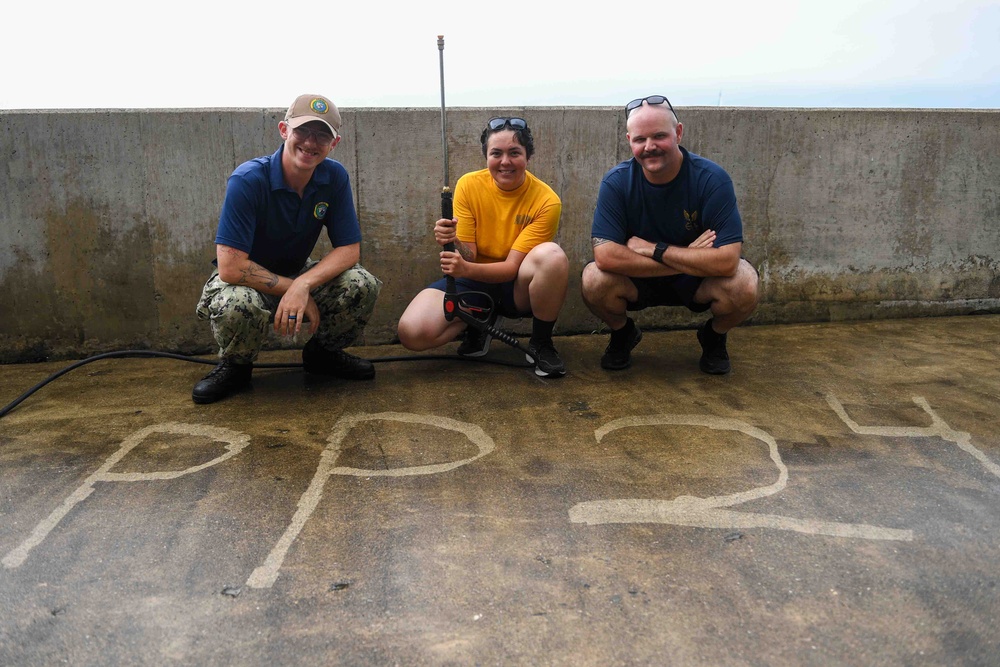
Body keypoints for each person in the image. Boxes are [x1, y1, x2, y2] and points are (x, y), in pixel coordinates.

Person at [192, 93, 382, 404]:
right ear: (284, 130)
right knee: (238, 304)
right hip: (244, 279)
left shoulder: (334, 177)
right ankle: (236, 367)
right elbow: (230, 267)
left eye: (322, 134)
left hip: (297, 271)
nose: (311, 141)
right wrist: (292, 289)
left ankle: (323, 354)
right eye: (303, 131)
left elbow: (349, 249)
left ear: (334, 143)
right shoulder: (249, 179)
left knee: (361, 284)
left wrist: (303, 285)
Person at [581, 95, 759, 374]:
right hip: (642, 280)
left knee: (744, 282)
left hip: (696, 282)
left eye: (659, 136)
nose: (649, 147)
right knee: (593, 279)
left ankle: (713, 335)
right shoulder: (616, 182)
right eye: (640, 139)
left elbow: (727, 262)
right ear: (629, 140)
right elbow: (605, 257)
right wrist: (689, 256)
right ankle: (623, 332)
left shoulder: (712, 179)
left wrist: (655, 249)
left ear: (678, 133)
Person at [396, 117, 569, 378]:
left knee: (553, 256)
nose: (505, 162)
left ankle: (541, 343)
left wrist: (464, 268)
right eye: (496, 153)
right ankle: (480, 323)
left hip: (516, 289)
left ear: (528, 156)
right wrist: (453, 239)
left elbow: (511, 269)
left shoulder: (547, 201)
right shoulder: (468, 184)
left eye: (515, 153)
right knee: (411, 332)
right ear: (486, 156)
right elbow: (470, 255)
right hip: (473, 282)